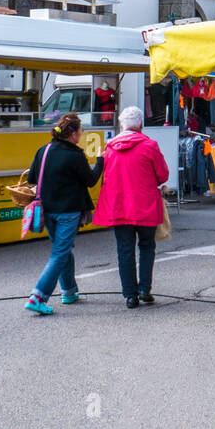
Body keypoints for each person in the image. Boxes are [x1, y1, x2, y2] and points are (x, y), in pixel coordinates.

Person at [24, 113, 104, 316]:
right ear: (73, 134)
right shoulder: (75, 155)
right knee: (60, 253)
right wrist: (101, 161)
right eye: (80, 131)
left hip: (46, 211)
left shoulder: (44, 150)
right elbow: (91, 180)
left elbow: (33, 177)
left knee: (63, 249)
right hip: (68, 211)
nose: (81, 134)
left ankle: (68, 291)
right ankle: (38, 296)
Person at [92, 105, 169, 309]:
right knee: (147, 247)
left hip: (119, 207)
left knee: (124, 250)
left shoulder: (110, 148)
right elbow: (163, 175)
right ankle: (144, 289)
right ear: (141, 125)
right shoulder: (150, 145)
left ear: (121, 125)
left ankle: (130, 295)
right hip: (145, 205)